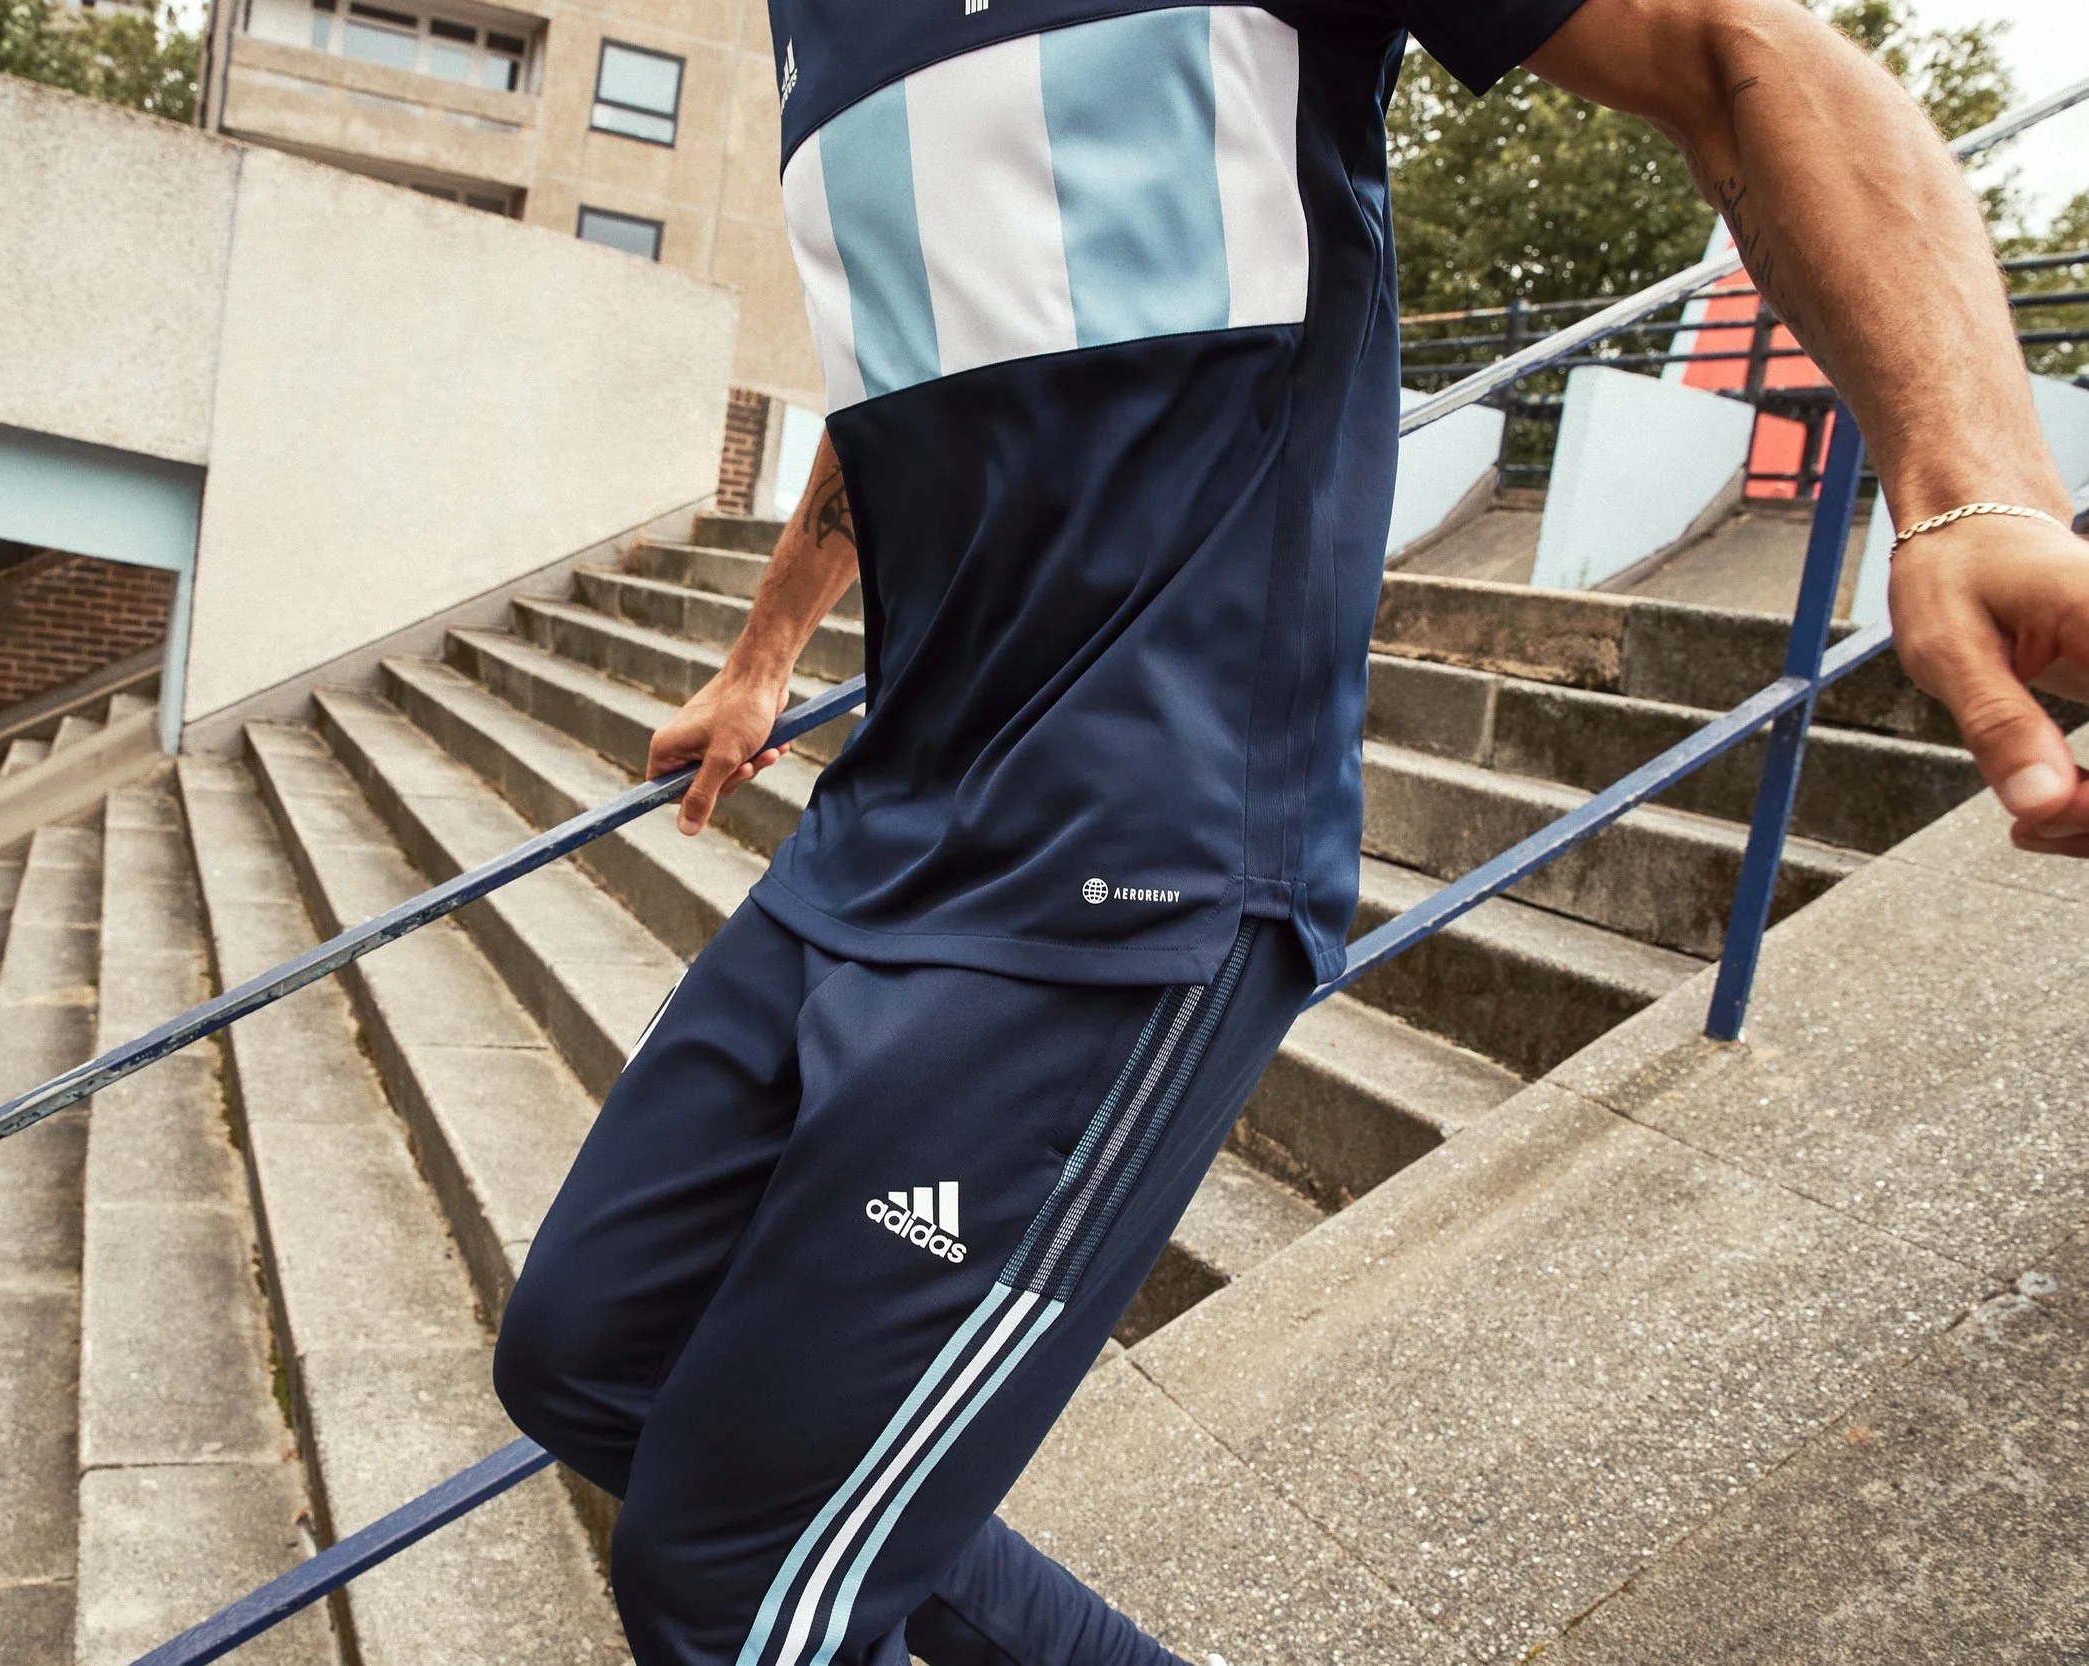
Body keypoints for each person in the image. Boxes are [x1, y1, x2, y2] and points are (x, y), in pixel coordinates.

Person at [494, 0, 2089, 1659]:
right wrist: (759, 663)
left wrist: (1971, 484)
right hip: (884, 824)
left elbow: (1732, 57)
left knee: (729, 1586)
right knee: (588, 1358)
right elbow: (920, 346)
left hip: (1126, 866)